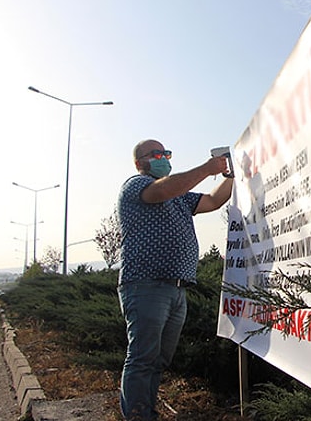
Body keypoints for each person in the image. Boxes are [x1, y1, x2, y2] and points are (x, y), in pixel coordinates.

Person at [116, 139, 233, 420]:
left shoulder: (180, 195)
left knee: (157, 360)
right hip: (146, 285)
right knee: (143, 357)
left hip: (176, 288)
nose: (162, 158)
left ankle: (146, 411)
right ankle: (137, 415)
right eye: (155, 154)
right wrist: (207, 168)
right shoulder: (136, 185)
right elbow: (165, 189)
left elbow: (214, 201)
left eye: (166, 153)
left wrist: (230, 175)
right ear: (139, 163)